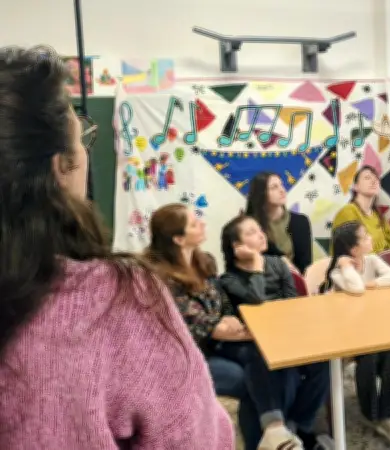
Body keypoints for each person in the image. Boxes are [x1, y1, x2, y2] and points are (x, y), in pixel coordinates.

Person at [0, 46, 233, 449]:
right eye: (82, 138)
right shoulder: (117, 299)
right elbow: (195, 438)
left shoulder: (203, 265)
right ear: (61, 165)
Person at [145, 204, 264, 450]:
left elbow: (221, 307)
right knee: (251, 381)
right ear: (178, 239)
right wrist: (222, 326)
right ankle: (265, 439)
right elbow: (198, 324)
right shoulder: (160, 278)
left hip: (215, 345)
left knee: (266, 362)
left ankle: (282, 431)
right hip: (185, 359)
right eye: (193, 223)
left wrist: (229, 319)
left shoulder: (203, 262)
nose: (202, 223)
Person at [219, 215, 330, 449]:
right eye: (251, 232)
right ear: (236, 246)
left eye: (260, 229)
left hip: (288, 333)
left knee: (322, 362)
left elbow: (292, 303)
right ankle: (281, 432)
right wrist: (257, 266)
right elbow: (257, 299)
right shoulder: (229, 279)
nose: (261, 235)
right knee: (284, 370)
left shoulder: (278, 264)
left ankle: (294, 427)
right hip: (257, 342)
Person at [321, 221, 390, 446]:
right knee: (369, 360)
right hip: (352, 334)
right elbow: (356, 289)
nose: (370, 238)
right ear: (353, 249)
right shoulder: (338, 271)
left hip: (378, 328)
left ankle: (389, 415)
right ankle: (371, 413)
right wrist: (346, 266)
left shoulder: (372, 260)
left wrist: (374, 282)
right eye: (365, 236)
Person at [245, 171, 313, 274]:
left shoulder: (300, 221)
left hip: (294, 282)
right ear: (261, 193)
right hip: (262, 281)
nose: (282, 190)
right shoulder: (250, 225)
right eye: (274, 187)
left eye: (281, 185)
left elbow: (306, 264)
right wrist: (281, 259)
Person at [332, 165, 390, 253]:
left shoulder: (379, 216)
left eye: (376, 178)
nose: (374, 181)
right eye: (367, 178)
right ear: (356, 187)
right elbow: (350, 252)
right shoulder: (347, 212)